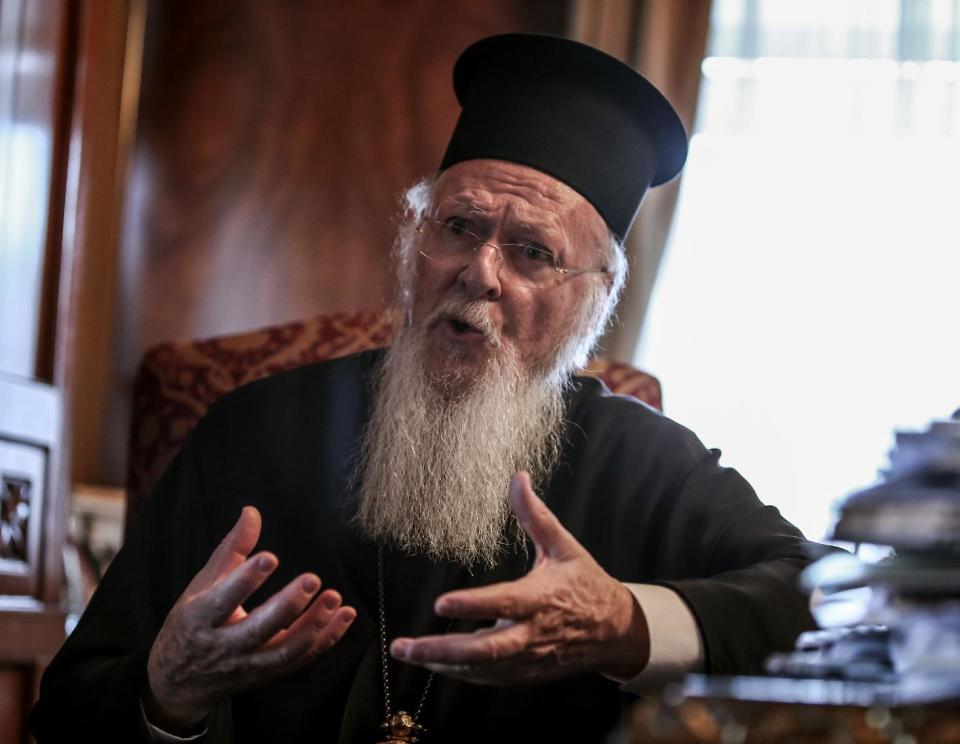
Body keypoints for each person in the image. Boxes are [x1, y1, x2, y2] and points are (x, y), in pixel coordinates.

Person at [30, 34, 828, 743]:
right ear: (415, 242)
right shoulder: (253, 432)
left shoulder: (640, 461)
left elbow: (830, 602)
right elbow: (70, 710)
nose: (480, 272)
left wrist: (623, 623)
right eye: (459, 227)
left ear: (593, 298)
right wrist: (170, 689)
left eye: (532, 252)